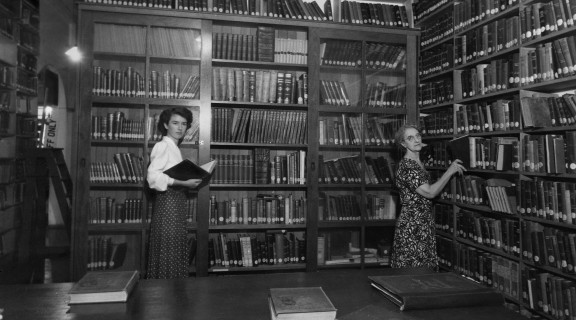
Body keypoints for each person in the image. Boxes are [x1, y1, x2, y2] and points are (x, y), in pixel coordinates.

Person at [390, 124, 466, 269]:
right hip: (412, 225)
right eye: (410, 138)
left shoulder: (418, 162)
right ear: (403, 143)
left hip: (423, 222)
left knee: (424, 271)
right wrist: (450, 171)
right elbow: (430, 192)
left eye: (418, 136)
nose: (416, 140)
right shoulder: (407, 166)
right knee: (413, 273)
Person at [146, 107, 201, 279]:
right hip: (168, 203)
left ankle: (173, 294)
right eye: (175, 123)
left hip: (176, 203)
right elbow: (153, 177)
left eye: (184, 124)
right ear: (165, 124)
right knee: (168, 248)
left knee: (174, 248)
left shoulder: (175, 148)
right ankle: (165, 294)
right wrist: (182, 182)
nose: (180, 128)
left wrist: (187, 182)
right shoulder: (162, 146)